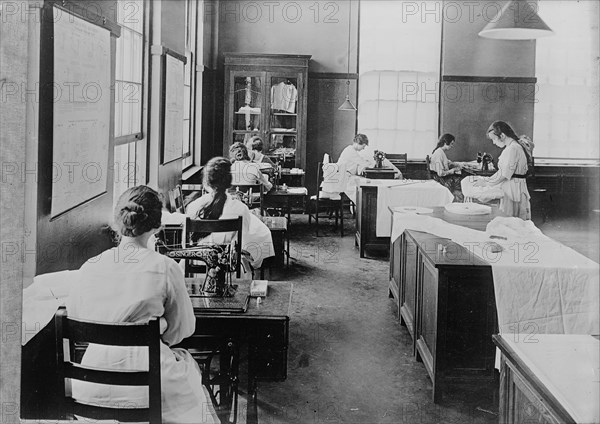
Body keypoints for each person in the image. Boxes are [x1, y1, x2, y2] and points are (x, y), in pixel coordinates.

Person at [66, 185, 219, 424]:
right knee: (194, 387)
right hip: (149, 386)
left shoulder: (90, 266)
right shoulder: (165, 267)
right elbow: (184, 330)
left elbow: (76, 319)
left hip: (92, 386)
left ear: (118, 221)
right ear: (158, 224)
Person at [186, 156, 274, 269]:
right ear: (229, 182)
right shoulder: (241, 209)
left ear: (205, 182)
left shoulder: (193, 207)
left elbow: (187, 246)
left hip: (197, 265)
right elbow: (245, 245)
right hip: (229, 269)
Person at [474, 121, 531, 219]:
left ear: (502, 135)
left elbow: (504, 175)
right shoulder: (513, 147)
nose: (493, 142)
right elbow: (502, 172)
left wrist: (486, 183)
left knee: (512, 222)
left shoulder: (512, 149)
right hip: (514, 186)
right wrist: (486, 180)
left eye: (494, 139)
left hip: (513, 189)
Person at [338, 133, 402, 178]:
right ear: (358, 143)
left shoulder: (351, 150)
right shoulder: (350, 151)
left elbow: (361, 161)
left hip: (347, 175)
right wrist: (374, 164)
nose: (363, 148)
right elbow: (363, 163)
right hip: (344, 176)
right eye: (363, 146)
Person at [429, 133, 464, 202]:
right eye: (451, 143)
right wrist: (453, 170)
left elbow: (446, 163)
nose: (452, 146)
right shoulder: (439, 153)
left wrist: (454, 164)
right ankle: (457, 200)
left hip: (441, 177)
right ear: (445, 143)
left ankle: (458, 200)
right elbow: (440, 173)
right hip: (440, 179)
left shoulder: (441, 152)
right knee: (463, 181)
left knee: (462, 179)